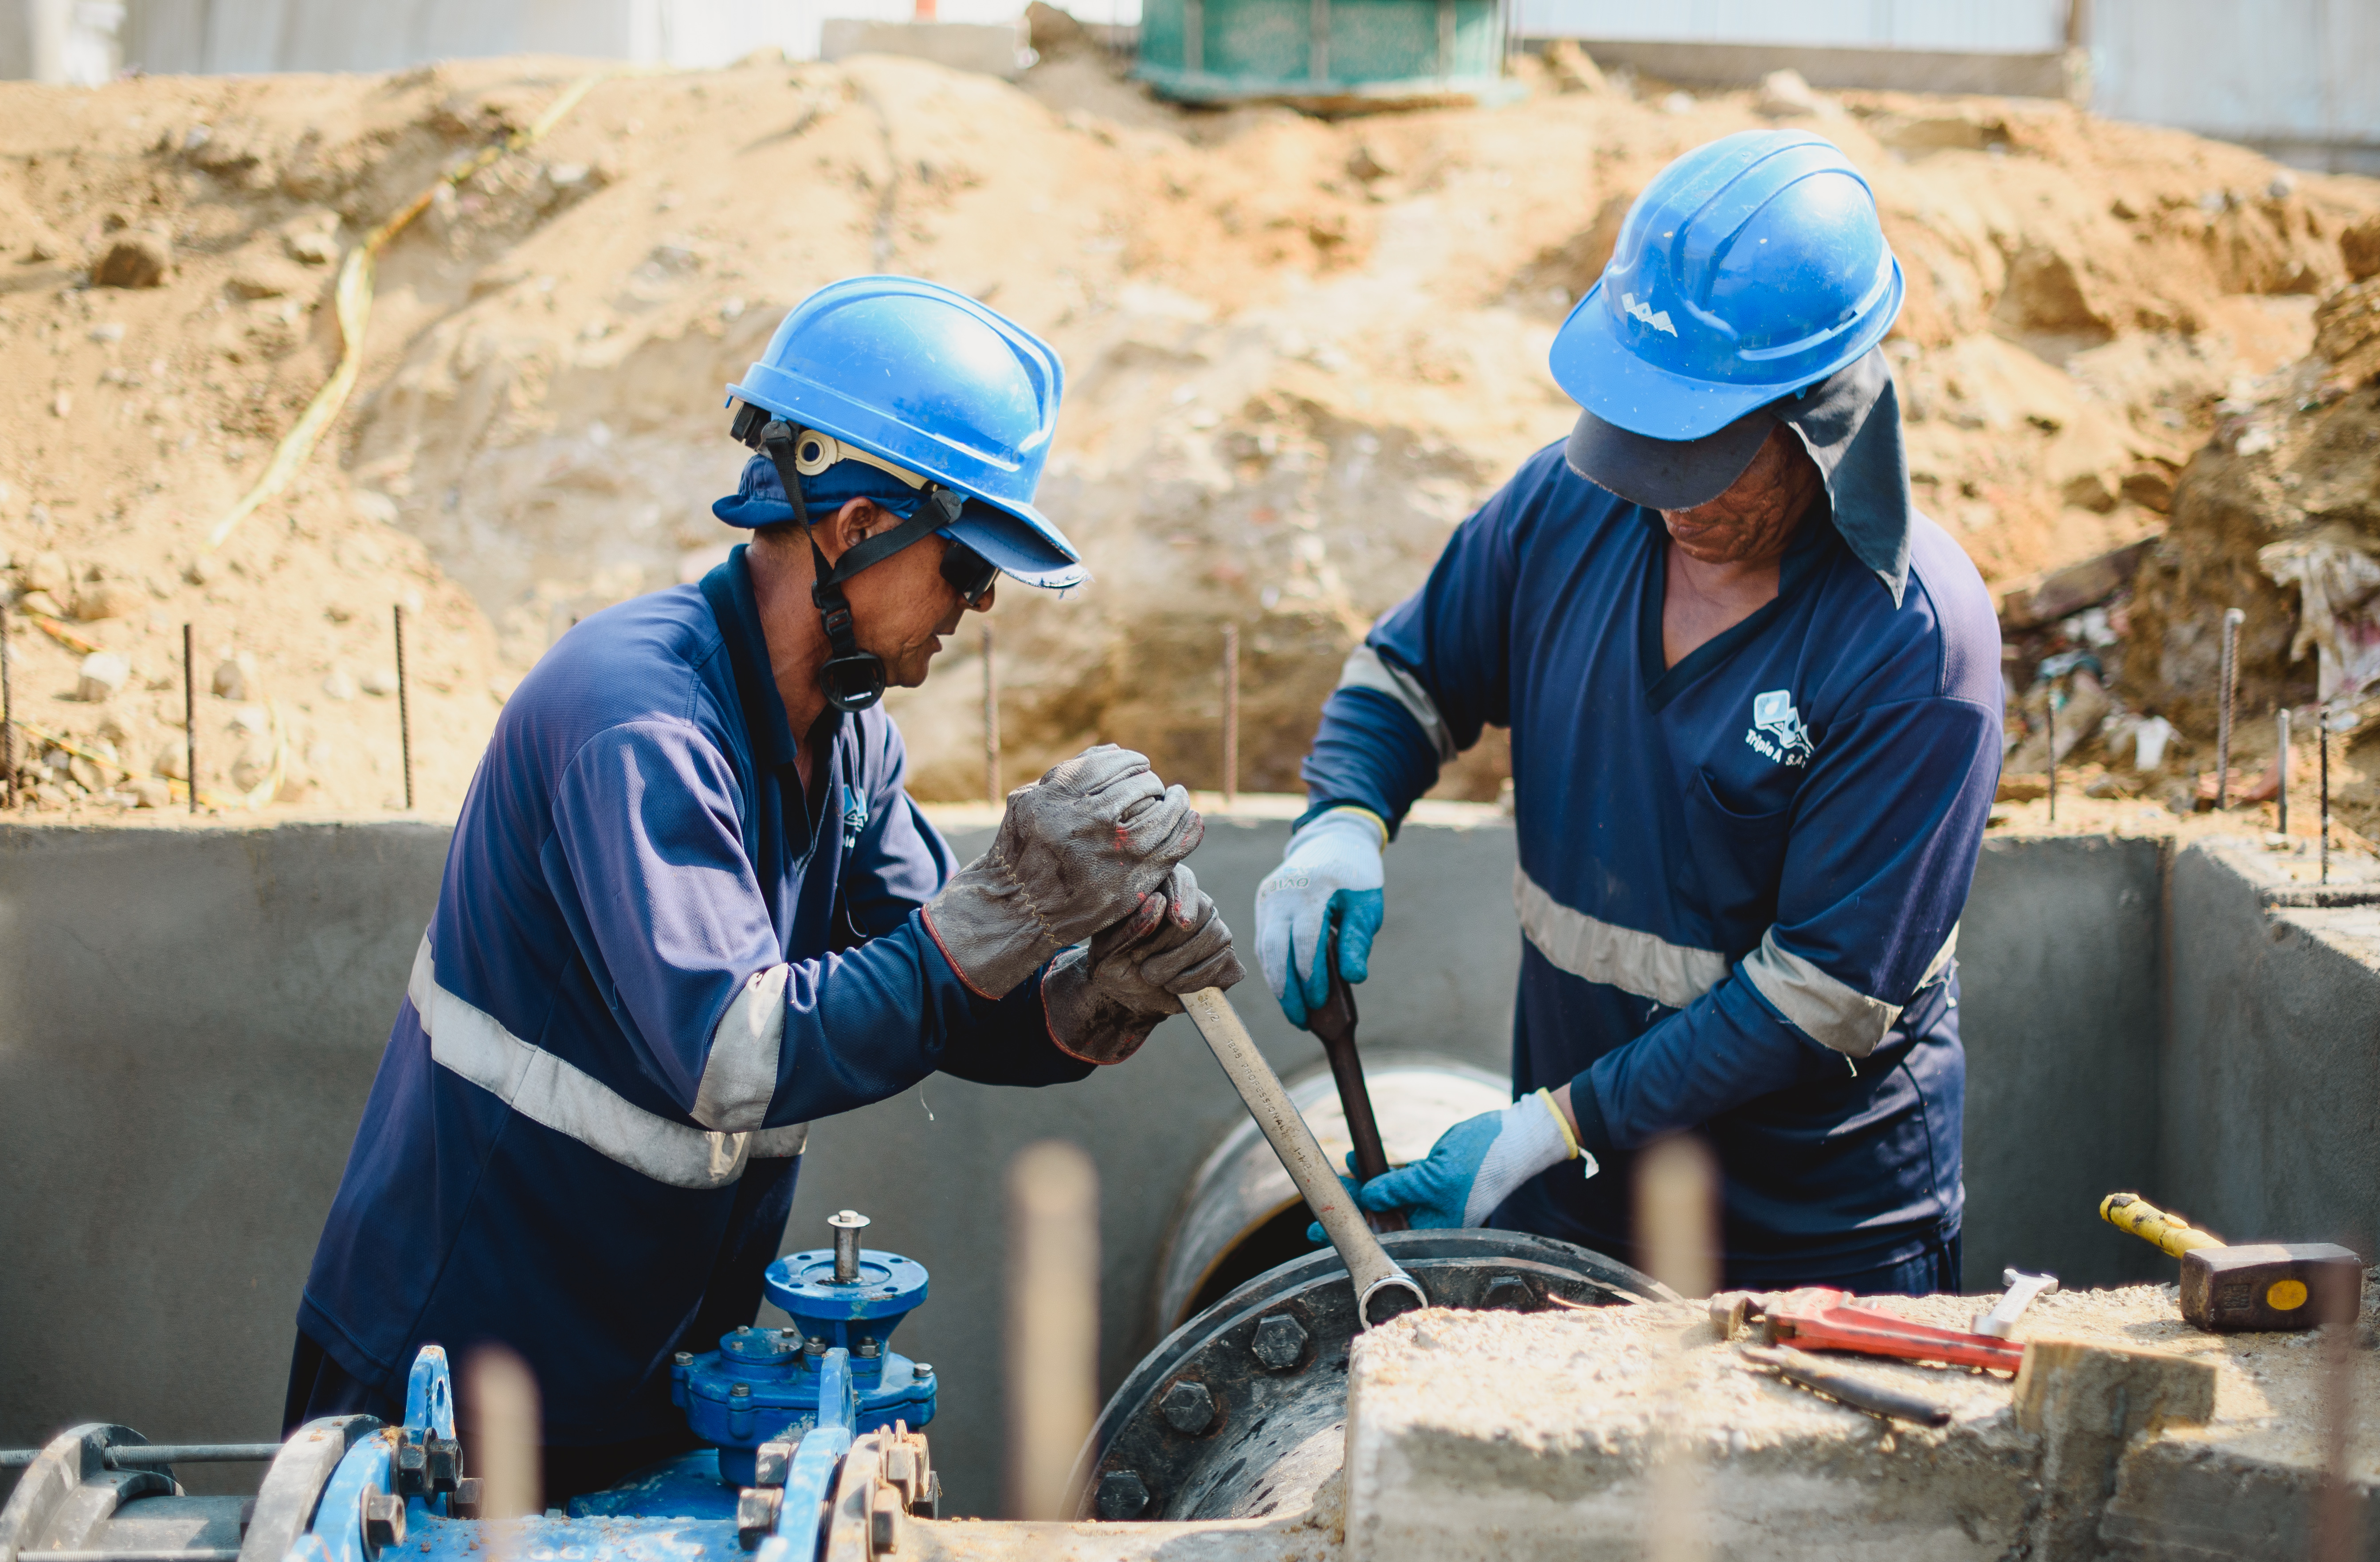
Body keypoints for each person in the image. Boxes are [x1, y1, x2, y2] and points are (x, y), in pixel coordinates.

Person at [286, 278, 1242, 1492]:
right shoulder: (635, 716)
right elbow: (729, 1057)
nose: (979, 604)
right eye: (962, 565)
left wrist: (1093, 997)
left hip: (647, 1377)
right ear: (853, 528)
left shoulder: (845, 739)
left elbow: (939, 984)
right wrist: (1007, 898)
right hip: (451, 1392)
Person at [1255, 133, 2002, 1295]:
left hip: (1808, 1252)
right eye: (1639, 434)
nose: (1660, 489)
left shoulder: (1910, 645)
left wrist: (1547, 1126)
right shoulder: (1569, 510)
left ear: (1817, 423)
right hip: (1577, 1212)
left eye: (1698, 454)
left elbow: (1820, 996)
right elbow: (1409, 672)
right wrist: (1340, 820)